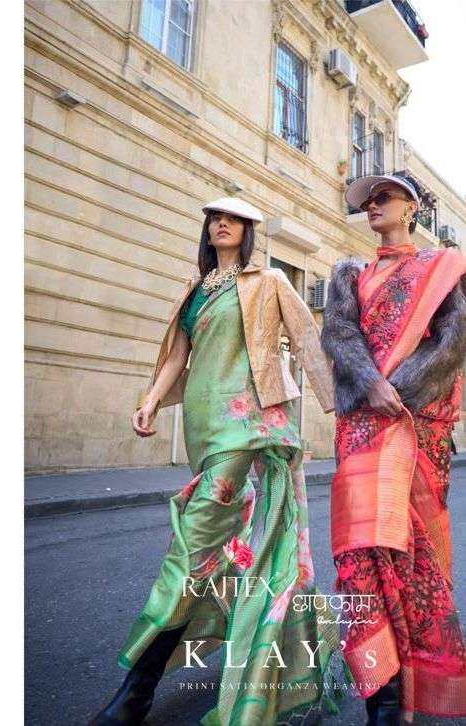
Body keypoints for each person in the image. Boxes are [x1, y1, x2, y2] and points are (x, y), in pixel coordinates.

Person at [89, 197, 344, 726]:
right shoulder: (196, 289)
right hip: (203, 426)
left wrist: (343, 407)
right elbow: (176, 355)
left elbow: (307, 339)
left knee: (189, 548)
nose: (221, 224)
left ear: (248, 232)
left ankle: (135, 692)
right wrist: (150, 400)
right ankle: (240, 642)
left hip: (247, 423)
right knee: (216, 550)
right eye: (214, 219)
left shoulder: (269, 281)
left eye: (233, 219)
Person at [321, 173, 466, 724]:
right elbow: (339, 336)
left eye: (385, 196)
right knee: (360, 552)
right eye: (368, 200)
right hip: (361, 425)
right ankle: (381, 693)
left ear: (412, 208)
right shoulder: (348, 274)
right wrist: (369, 384)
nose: (373, 205)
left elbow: (453, 340)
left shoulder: (441, 268)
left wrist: (399, 389)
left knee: (411, 553)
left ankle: (413, 686)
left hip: (415, 424)